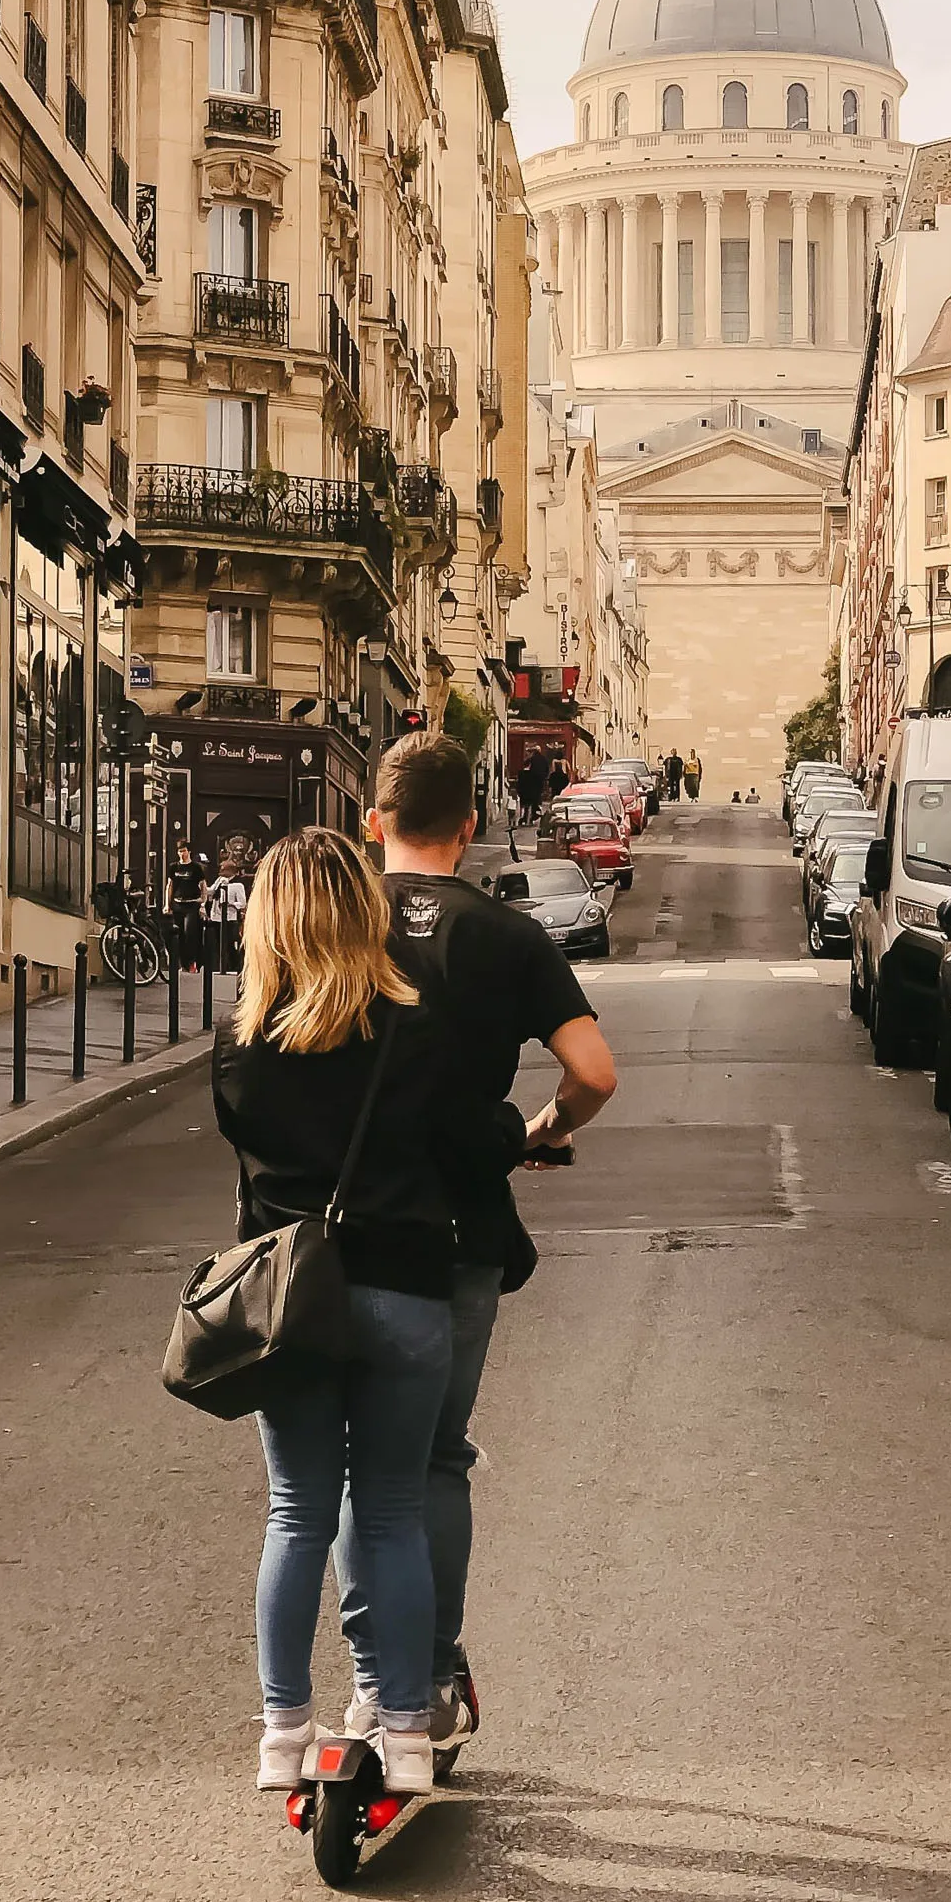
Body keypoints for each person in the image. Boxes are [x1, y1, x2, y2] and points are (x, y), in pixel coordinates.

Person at [211, 830, 536, 1796]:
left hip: (292, 1308)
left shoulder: (240, 1053)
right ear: (365, 913)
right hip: (403, 1295)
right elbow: (475, 1142)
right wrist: (523, 1133)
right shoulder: (415, 1029)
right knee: (390, 1511)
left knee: (295, 1513)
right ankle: (403, 1737)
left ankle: (281, 1736)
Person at [341, 732, 618, 1741]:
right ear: (467, 825)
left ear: (373, 821)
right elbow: (594, 1073)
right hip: (457, 1225)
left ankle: (372, 1682)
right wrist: (540, 1132)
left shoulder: (331, 920)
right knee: (433, 1458)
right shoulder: (508, 937)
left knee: (353, 1460)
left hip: (338, 1226)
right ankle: (436, 1676)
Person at [165, 840, 205, 972]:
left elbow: (203, 886)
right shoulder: (174, 867)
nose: (182, 854)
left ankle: (192, 962)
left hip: (192, 904)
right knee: (179, 934)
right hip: (178, 904)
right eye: (180, 851)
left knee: (190, 933)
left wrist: (203, 903)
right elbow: (169, 886)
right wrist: (167, 904)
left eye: (184, 851)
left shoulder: (196, 868)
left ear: (189, 852)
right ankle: (182, 964)